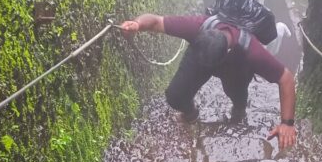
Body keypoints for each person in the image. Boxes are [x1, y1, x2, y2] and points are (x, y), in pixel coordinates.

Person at [120, 11, 297, 150]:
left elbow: (286, 79)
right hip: (199, 58)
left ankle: (239, 110)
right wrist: (137, 24)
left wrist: (286, 124)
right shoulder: (197, 26)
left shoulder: (251, 50)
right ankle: (190, 113)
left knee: (236, 95)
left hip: (236, 67)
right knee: (175, 96)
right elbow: (156, 21)